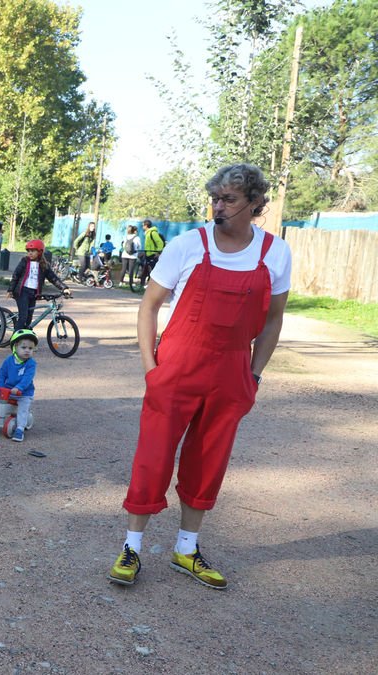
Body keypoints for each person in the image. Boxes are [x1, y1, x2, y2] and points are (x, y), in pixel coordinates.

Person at [108, 164, 291, 591]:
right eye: (216, 198)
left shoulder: (274, 252)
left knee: (209, 461)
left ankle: (186, 549)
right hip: (177, 366)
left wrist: (254, 376)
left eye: (229, 199)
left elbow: (273, 321)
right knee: (153, 455)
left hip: (231, 372)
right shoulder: (189, 245)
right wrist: (151, 369)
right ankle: (132, 546)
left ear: (255, 204)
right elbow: (149, 306)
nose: (219, 207)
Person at [0, 329, 38, 442]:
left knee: (23, 408)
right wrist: (0, 387)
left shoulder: (31, 364)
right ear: (15, 347)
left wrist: (19, 388)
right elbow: (2, 374)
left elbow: (27, 378)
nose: (27, 351)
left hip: (23, 393)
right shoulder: (8, 361)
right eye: (24, 347)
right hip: (8, 392)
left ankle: (20, 428)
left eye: (30, 348)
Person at [8, 239, 71, 331]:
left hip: (33, 294)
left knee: (29, 318)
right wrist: (10, 290)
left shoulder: (43, 265)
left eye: (33, 251)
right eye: (28, 251)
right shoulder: (24, 261)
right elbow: (16, 275)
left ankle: (25, 337)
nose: (30, 253)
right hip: (22, 292)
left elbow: (53, 278)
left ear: (40, 252)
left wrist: (64, 288)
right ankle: (15, 340)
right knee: (23, 317)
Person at [139, 219, 166, 286]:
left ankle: (151, 285)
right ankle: (142, 285)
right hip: (147, 254)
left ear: (146, 226)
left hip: (152, 254)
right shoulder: (147, 233)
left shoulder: (152, 233)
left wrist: (158, 252)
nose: (142, 227)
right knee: (145, 269)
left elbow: (160, 242)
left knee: (152, 271)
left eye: (143, 225)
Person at [121, 224, 141, 291]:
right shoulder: (137, 238)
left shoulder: (125, 236)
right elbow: (139, 246)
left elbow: (123, 245)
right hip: (133, 256)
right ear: (134, 231)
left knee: (123, 269)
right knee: (131, 270)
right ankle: (131, 283)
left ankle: (121, 282)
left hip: (124, 254)